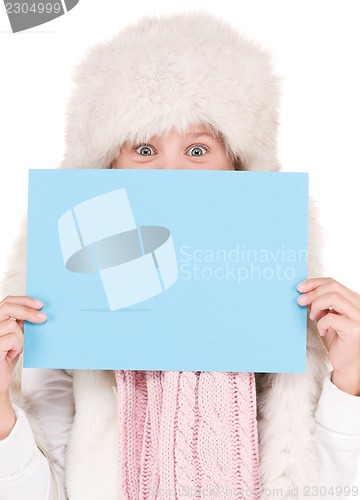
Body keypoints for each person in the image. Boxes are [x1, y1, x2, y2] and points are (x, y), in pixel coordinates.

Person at [1, 12, 360, 500]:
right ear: (105, 169)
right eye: (145, 148)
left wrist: (349, 385)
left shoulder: (291, 310)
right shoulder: (61, 313)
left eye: (197, 150)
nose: (171, 173)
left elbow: (324, 490)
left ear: (238, 168)